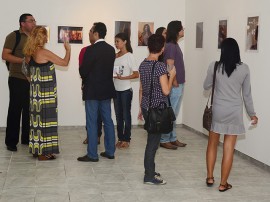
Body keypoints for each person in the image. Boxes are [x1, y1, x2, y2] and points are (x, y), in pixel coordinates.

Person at [203, 38, 258, 192]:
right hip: (234, 111)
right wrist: (252, 114)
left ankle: (209, 177)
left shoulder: (215, 66)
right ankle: (223, 184)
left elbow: (206, 86)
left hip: (218, 110)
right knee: (228, 149)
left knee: (212, 143)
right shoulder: (244, 69)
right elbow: (247, 95)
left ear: (223, 51)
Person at [23, 26, 71, 160]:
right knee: (46, 121)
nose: (46, 38)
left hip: (35, 95)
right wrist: (68, 50)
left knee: (36, 122)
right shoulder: (43, 52)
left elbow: (26, 71)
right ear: (40, 37)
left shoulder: (29, 52)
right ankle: (44, 153)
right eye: (45, 35)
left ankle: (37, 150)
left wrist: (34, 83)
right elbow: (64, 62)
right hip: (46, 94)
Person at [138, 34, 176, 185]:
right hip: (157, 110)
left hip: (147, 107)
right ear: (162, 49)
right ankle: (149, 176)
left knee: (152, 140)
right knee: (152, 143)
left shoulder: (143, 64)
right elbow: (166, 91)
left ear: (148, 47)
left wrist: (141, 108)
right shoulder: (160, 66)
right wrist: (171, 76)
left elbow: (141, 88)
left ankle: (150, 170)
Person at [78, 22, 116, 162]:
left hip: (92, 90)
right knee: (108, 121)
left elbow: (83, 71)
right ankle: (110, 151)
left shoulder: (90, 50)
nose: (89, 34)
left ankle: (92, 154)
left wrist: (83, 74)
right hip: (106, 89)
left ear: (96, 33)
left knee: (92, 122)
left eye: (90, 31)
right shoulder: (111, 49)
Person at [2, 13, 36, 152]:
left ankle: (26, 139)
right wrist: (23, 60)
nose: (34, 23)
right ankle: (11, 142)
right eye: (31, 21)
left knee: (29, 110)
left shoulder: (34, 38)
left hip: (32, 78)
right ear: (23, 23)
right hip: (17, 78)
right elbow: (5, 55)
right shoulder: (13, 36)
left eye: (34, 20)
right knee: (15, 109)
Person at [160, 20, 186, 150]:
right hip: (175, 84)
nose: (183, 30)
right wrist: (174, 81)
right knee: (170, 113)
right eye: (182, 28)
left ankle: (172, 137)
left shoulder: (174, 44)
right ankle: (164, 139)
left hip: (179, 83)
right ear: (177, 30)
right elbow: (169, 65)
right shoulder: (170, 45)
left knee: (173, 113)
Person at [113, 32, 139, 149]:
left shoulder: (129, 56)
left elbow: (136, 74)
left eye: (118, 41)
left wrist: (124, 77)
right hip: (116, 89)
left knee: (126, 115)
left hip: (125, 90)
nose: (116, 43)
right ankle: (120, 138)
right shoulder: (115, 56)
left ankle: (126, 139)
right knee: (118, 116)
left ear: (125, 42)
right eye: (115, 41)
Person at [79, 42, 103, 145]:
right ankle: (90, 136)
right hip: (89, 85)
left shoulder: (104, 49)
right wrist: (84, 82)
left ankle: (97, 136)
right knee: (90, 114)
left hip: (101, 86)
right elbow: (82, 68)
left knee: (99, 114)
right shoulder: (85, 50)